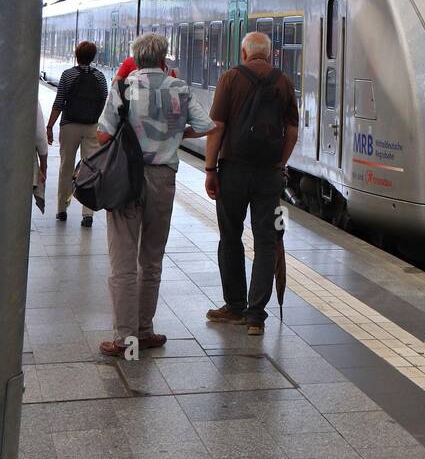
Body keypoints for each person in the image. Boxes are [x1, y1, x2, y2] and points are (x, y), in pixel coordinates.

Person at [96, 32, 214, 357]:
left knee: (123, 260)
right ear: (164, 58)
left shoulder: (123, 87)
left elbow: (103, 135)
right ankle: (145, 331)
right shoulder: (179, 87)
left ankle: (125, 339)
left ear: (136, 57)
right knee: (151, 260)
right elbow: (207, 126)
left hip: (126, 180)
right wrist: (177, 135)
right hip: (164, 179)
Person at [205, 31, 298, 336]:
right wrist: (279, 164)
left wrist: (210, 168)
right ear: (269, 55)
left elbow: (216, 126)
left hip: (233, 170)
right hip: (268, 175)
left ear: (244, 54)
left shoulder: (230, 78)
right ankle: (256, 316)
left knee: (230, 237)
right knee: (266, 242)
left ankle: (234, 306)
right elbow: (292, 131)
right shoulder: (283, 81)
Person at [46, 41, 108, 227]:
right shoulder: (100, 77)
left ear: (76, 55)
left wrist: (49, 127)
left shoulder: (68, 75)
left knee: (66, 167)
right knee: (89, 170)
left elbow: (58, 103)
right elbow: (104, 99)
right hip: (91, 127)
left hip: (69, 125)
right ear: (93, 57)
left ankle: (62, 209)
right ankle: (87, 213)